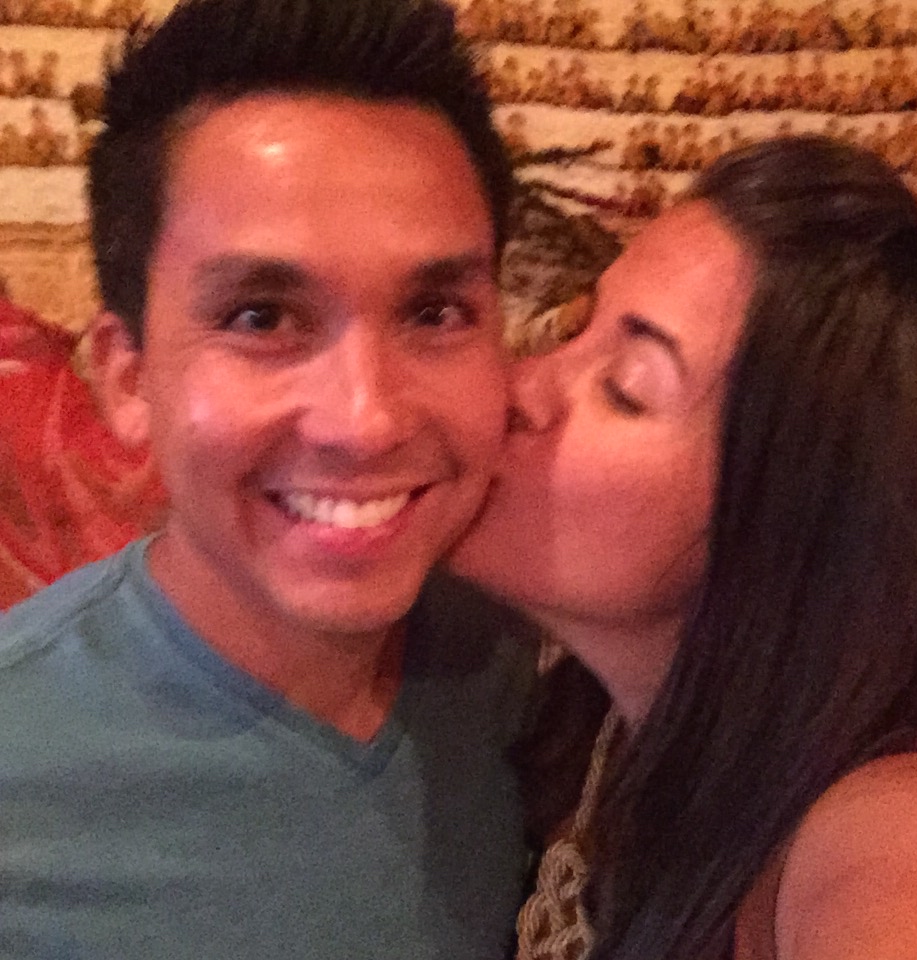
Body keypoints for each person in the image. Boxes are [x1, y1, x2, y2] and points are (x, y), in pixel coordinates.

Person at [0, 1, 536, 957]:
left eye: (435, 312)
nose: (366, 419)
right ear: (127, 379)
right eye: (261, 318)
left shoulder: (538, 677)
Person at [452, 134, 917, 960]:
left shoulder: (893, 825)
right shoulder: (589, 734)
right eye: (577, 329)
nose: (521, 387)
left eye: (626, 388)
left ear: (787, 514)